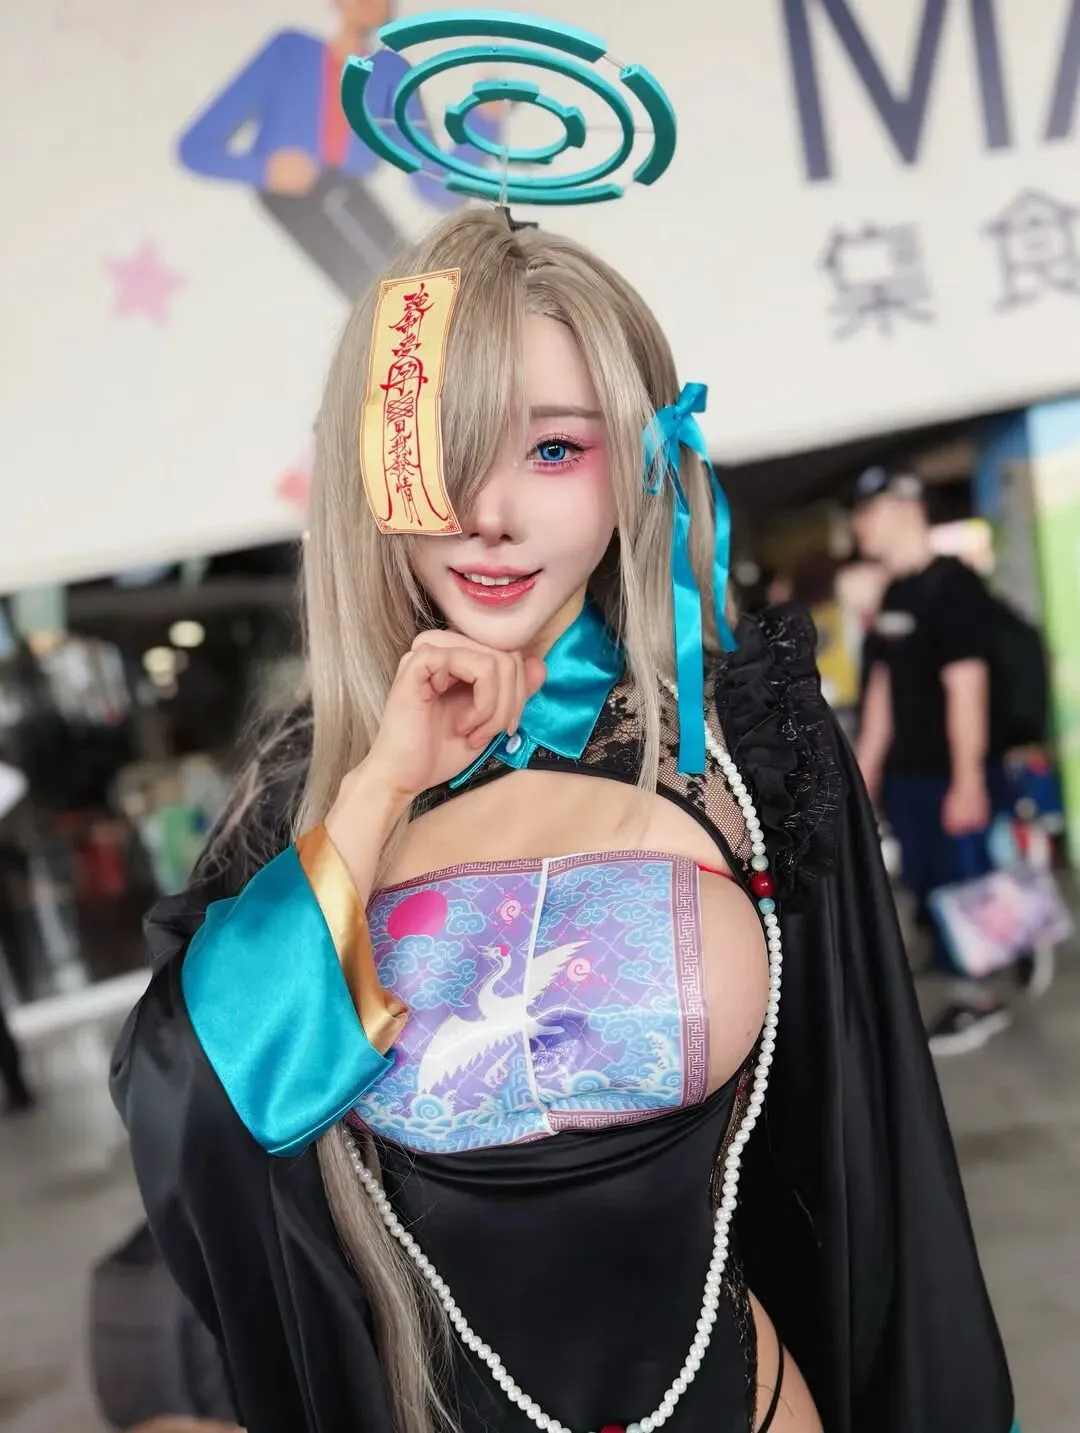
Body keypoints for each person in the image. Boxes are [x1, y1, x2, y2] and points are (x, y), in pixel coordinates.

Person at [112, 210, 1014, 1433]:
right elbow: (201, 1106)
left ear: (640, 454)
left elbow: (869, 1137)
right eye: (447, 451)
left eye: (551, 448)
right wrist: (377, 789)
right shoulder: (308, 789)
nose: (488, 513)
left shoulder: (747, 739)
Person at [851, 465, 1034, 1055]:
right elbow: (882, 691)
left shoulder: (954, 588)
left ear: (907, 510)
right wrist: (865, 772)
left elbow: (967, 690)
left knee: (970, 882)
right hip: (910, 776)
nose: (859, 525)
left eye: (868, 512)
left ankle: (980, 1001)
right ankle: (972, 958)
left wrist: (968, 780)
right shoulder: (896, 593)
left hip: (953, 773)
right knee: (932, 882)